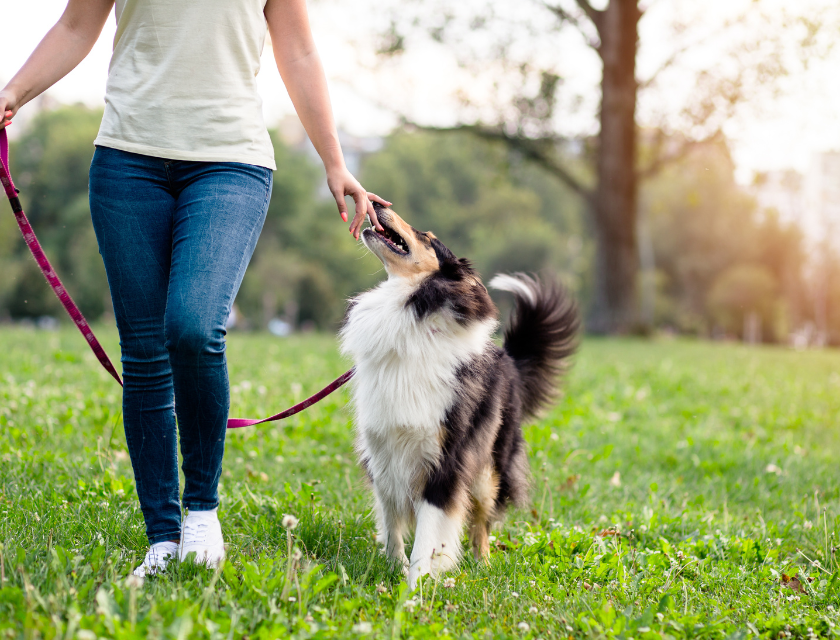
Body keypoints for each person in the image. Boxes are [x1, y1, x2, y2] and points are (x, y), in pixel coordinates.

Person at [0, 0, 388, 577]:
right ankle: (161, 536)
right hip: (126, 162)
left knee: (193, 324)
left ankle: (201, 511)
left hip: (230, 163)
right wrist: (11, 95)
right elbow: (76, 26)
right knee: (145, 352)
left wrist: (335, 162)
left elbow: (298, 50)